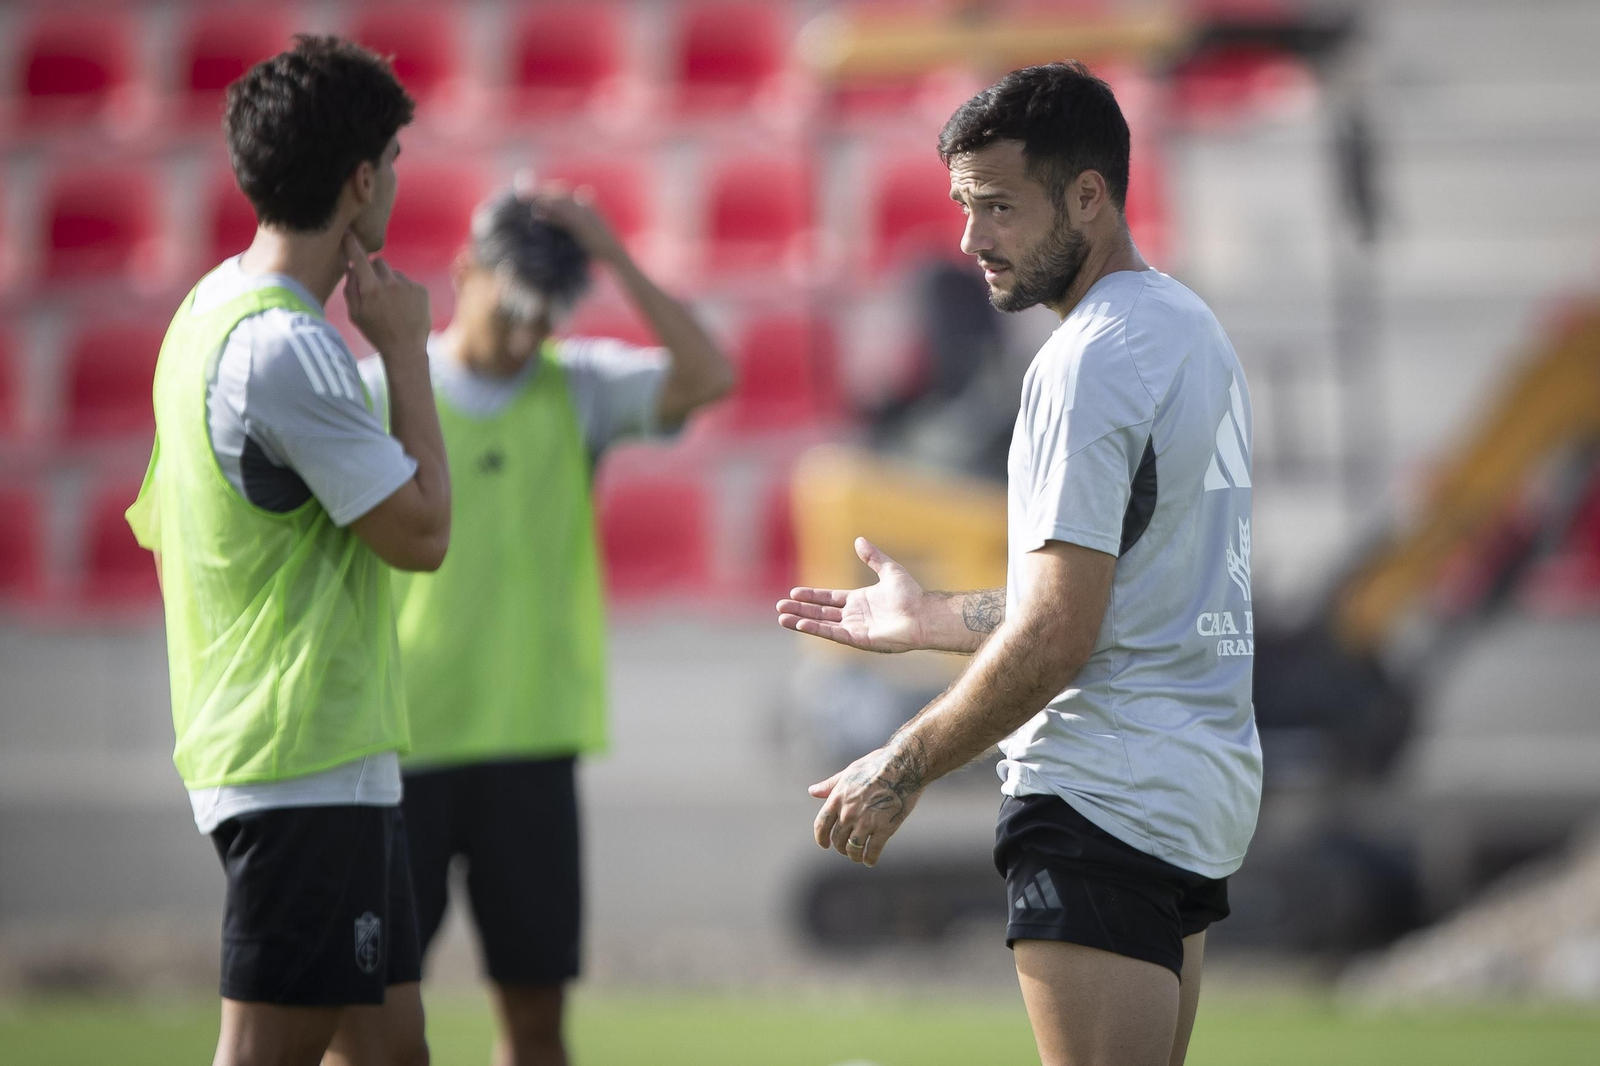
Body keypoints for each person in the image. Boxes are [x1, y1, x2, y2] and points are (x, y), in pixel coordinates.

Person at [777, 62, 1261, 1066]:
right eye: (963, 206)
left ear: (1089, 195)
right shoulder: (1190, 328)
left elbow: (1056, 635)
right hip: (1192, 796)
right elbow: (1111, 597)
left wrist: (899, 765)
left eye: (998, 206)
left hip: (1098, 796)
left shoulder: (1082, 363)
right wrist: (934, 618)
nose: (970, 239)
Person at [355, 185, 734, 1066]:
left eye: (549, 316)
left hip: (530, 749)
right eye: (516, 308)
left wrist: (614, 252)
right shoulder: (378, 395)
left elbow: (711, 374)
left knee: (535, 1026)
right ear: (465, 274)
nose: (529, 336)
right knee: (374, 1024)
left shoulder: (580, 388)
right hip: (396, 749)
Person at [125, 36, 448, 1066]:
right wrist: (402, 350)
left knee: (392, 1048)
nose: (397, 179)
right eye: (392, 160)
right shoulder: (285, 347)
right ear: (360, 179)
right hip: (299, 755)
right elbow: (422, 535)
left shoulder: (212, 308)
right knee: (267, 1052)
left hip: (321, 754)